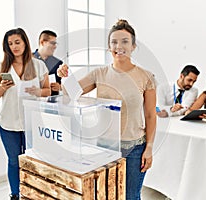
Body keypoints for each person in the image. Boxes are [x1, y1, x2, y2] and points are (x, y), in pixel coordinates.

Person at [57, 19, 157, 200]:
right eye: (114, 42)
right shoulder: (99, 73)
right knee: (104, 194)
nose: (119, 46)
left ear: (133, 46)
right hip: (104, 146)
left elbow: (150, 115)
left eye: (125, 41)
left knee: (130, 196)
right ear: (109, 47)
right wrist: (63, 75)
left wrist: (149, 148)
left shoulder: (146, 76)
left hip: (134, 148)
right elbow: (71, 93)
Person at [0, 28, 51, 200]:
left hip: (32, 124)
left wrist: (37, 91)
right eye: (10, 44)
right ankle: (15, 195)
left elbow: (48, 91)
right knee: (13, 161)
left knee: (32, 162)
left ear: (25, 42)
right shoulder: (1, 67)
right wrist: (2, 87)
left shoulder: (38, 65)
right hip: (8, 125)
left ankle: (34, 193)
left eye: (17, 42)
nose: (14, 47)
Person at [33, 30, 63, 96]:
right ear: (42, 42)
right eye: (52, 43)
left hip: (52, 103)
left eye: (56, 43)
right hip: (31, 101)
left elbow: (64, 85)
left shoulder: (58, 63)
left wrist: (59, 87)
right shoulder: (28, 60)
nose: (55, 46)